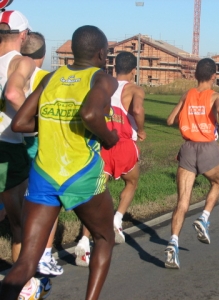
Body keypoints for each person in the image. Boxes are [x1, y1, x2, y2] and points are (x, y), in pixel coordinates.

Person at [0, 25, 119, 300]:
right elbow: (90, 114)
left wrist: (55, 120)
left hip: (43, 174)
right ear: (101, 54)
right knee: (104, 238)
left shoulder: (51, 78)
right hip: (80, 173)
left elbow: (19, 123)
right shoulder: (102, 79)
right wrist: (109, 138)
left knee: (26, 263)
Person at [75, 51, 146, 267]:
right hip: (124, 143)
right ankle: (117, 219)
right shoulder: (134, 89)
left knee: (95, 194)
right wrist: (141, 129)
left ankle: (84, 242)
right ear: (134, 70)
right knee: (132, 181)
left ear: (114, 68)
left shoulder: (103, 85)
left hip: (103, 143)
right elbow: (137, 108)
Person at [0, 10, 52, 299]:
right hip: (7, 145)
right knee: (19, 222)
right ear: (23, 36)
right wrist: (35, 125)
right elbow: (13, 94)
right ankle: (24, 286)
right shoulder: (21, 61)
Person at [164, 58, 219, 269]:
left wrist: (189, 121)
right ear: (214, 76)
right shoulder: (217, 96)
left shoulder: (187, 95)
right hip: (207, 149)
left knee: (182, 202)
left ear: (195, 75)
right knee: (217, 183)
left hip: (187, 149)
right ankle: (204, 218)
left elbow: (170, 120)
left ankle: (173, 244)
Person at [20, 31, 64, 276]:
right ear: (43, 54)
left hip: (11, 140)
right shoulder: (47, 78)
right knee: (48, 199)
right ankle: (44, 254)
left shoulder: (11, 69)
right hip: (39, 141)